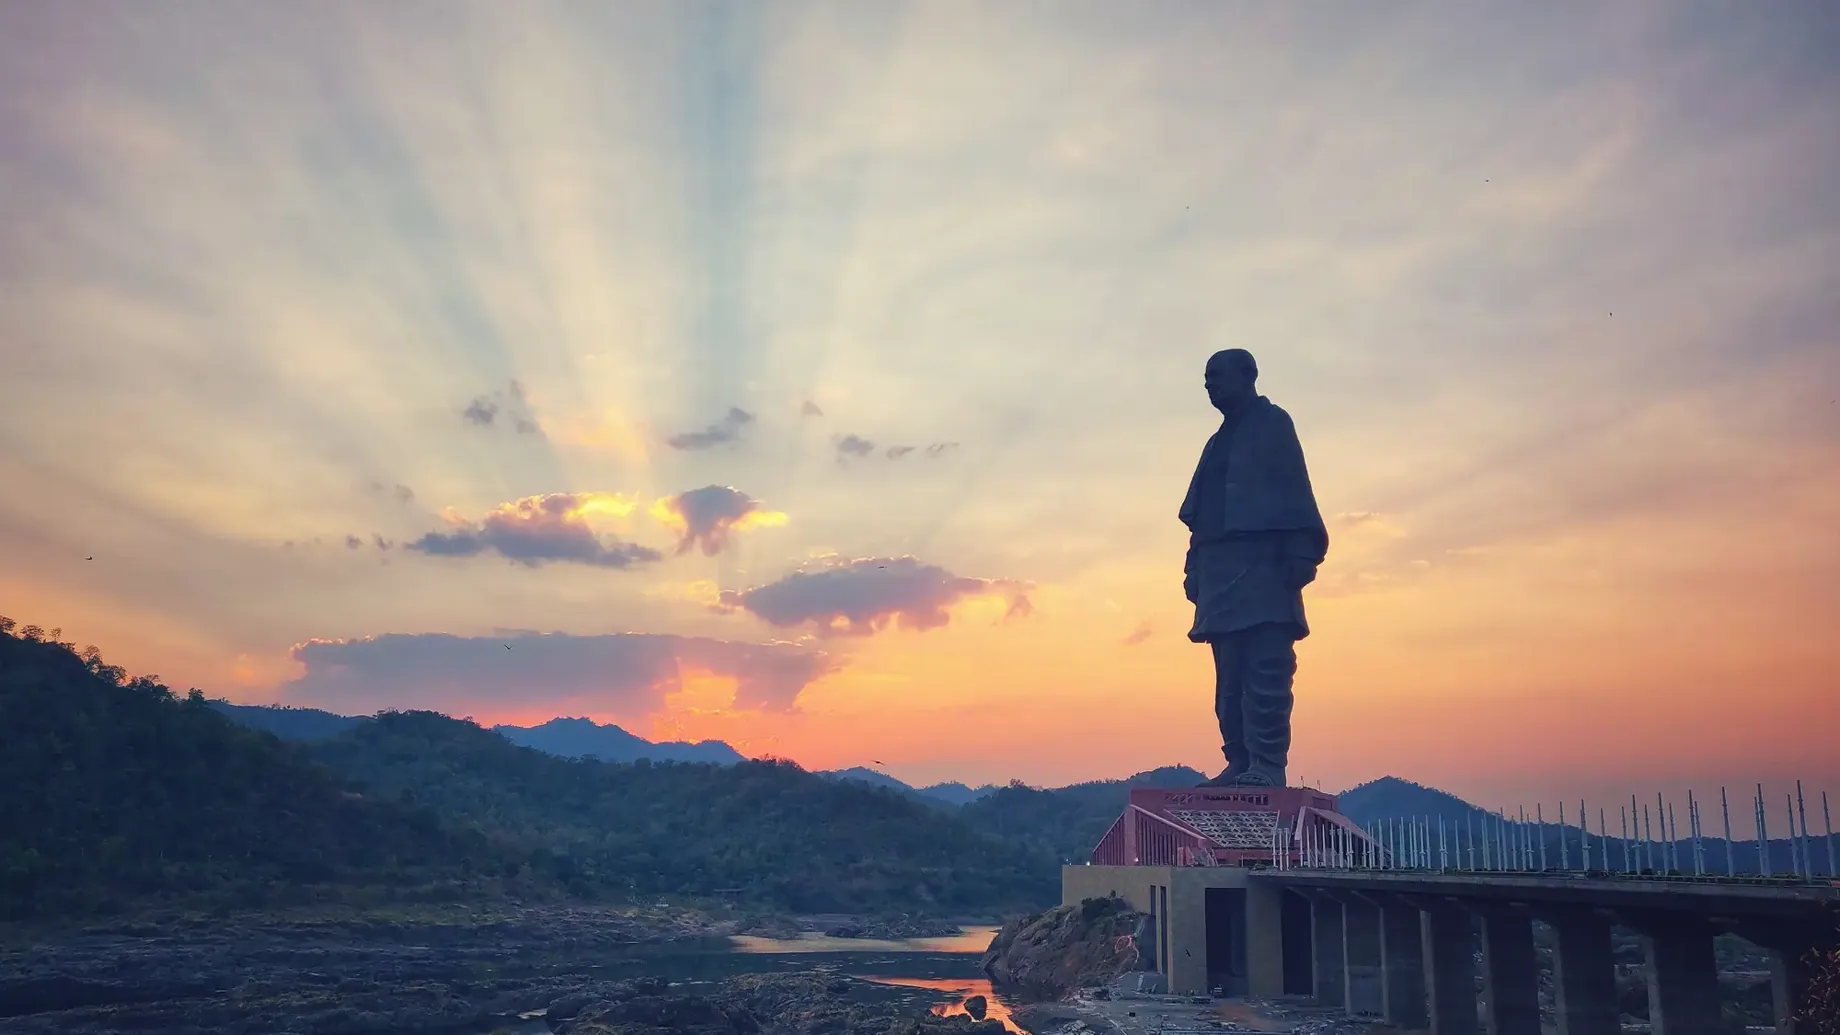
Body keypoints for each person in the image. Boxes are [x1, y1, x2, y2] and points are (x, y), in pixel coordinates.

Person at [1178, 348, 1328, 789]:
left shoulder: (1273, 425)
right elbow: (1200, 516)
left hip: (1264, 564)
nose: (1210, 385)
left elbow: (1295, 490)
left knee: (1266, 669)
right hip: (1220, 570)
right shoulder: (1217, 441)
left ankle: (1267, 762)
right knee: (1228, 681)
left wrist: (1301, 552)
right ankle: (1239, 759)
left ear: (1249, 376)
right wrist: (1194, 568)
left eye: (1217, 376)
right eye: (1206, 379)